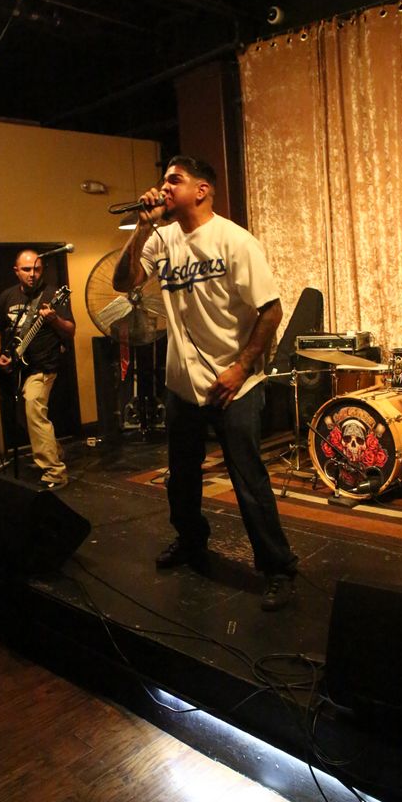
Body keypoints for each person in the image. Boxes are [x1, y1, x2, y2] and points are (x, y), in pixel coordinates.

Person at [112, 155, 298, 611]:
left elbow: (271, 310)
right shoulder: (161, 239)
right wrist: (142, 228)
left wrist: (241, 368)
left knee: (247, 480)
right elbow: (123, 282)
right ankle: (191, 540)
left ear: (201, 190)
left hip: (234, 383)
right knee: (182, 476)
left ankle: (278, 567)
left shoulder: (235, 241)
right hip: (183, 382)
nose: (164, 187)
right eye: (163, 180)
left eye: (174, 180)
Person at [0, 249, 75, 488]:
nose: (32, 274)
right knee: (23, 415)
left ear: (42, 270)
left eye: (36, 269)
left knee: (34, 407)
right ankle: (54, 450)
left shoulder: (52, 295)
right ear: (16, 271)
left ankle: (54, 471)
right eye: (26, 269)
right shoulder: (7, 297)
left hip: (43, 365)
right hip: (17, 367)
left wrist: (54, 319)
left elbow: (70, 330)